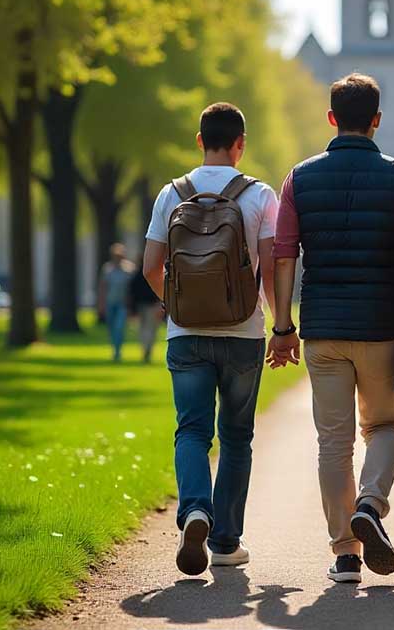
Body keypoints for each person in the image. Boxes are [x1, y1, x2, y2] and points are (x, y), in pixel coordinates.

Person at [268, 73, 394, 584]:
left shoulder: (299, 179)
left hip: (323, 328)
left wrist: (283, 326)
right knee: (385, 426)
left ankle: (345, 554)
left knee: (333, 443)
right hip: (381, 326)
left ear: (331, 118)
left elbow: (284, 256)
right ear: (376, 120)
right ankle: (371, 504)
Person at [143, 102, 279, 575]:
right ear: (241, 144)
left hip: (186, 336)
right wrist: (282, 326)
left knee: (191, 431)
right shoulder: (259, 195)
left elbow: (151, 267)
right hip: (243, 333)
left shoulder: (171, 194)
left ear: (200, 141)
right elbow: (271, 269)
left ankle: (195, 511)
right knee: (237, 437)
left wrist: (179, 304)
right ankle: (225, 542)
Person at [97, 244, 134, 362]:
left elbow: (132, 289)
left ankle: (118, 351)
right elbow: (103, 287)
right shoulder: (107, 269)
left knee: (119, 327)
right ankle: (114, 348)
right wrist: (101, 304)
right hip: (110, 302)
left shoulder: (129, 269)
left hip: (123, 304)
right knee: (111, 328)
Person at [130, 266, 162, 364]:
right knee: (150, 329)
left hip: (143, 305)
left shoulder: (137, 275)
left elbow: (133, 291)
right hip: (151, 305)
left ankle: (145, 349)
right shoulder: (154, 273)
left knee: (144, 329)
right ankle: (147, 349)